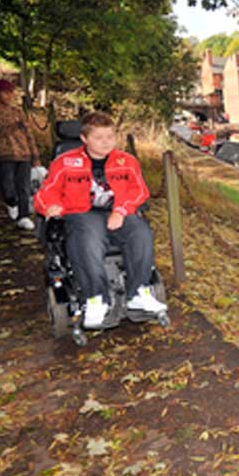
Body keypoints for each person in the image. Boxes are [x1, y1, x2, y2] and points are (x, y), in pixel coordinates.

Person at [34, 111, 166, 328]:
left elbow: (139, 192)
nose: (106, 142)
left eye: (110, 137)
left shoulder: (127, 161)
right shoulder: (65, 162)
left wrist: (121, 210)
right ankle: (95, 298)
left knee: (140, 230)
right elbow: (46, 191)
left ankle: (138, 294)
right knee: (89, 235)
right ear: (84, 139)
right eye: (99, 137)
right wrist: (50, 206)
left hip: (118, 212)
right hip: (81, 212)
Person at [0, 79, 40, 230]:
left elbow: (29, 134)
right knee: (7, 185)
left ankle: (24, 215)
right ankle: (11, 202)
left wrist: (35, 156)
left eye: (11, 93)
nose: (9, 96)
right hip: (4, 153)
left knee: (24, 187)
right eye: (5, 93)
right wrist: (14, 126)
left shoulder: (18, 111)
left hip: (23, 152)